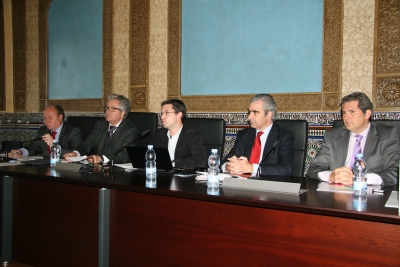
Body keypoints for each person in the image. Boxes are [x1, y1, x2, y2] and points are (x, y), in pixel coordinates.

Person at [307, 92, 400, 186]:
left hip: (370, 194)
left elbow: (395, 171)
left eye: (352, 112)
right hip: (337, 192)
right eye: (344, 113)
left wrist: (361, 178)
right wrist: (331, 176)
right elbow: (314, 167)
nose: (346, 117)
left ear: (367, 114)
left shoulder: (387, 135)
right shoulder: (332, 136)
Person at [222, 94, 294, 176]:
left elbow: (285, 169)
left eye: (255, 112)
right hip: (243, 184)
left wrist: (252, 168)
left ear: (268, 114)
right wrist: (228, 167)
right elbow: (226, 160)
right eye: (249, 112)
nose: (249, 117)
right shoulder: (244, 135)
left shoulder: (284, 136)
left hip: (268, 185)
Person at [64, 94, 138, 164]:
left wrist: (101, 158)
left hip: (117, 172)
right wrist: (76, 154)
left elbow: (124, 155)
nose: (107, 111)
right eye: (107, 108)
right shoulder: (100, 125)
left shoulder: (130, 130)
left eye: (112, 109)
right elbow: (87, 144)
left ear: (122, 113)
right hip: (98, 170)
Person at [150, 99, 207, 169]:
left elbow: (201, 160)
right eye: (162, 113)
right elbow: (150, 154)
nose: (162, 117)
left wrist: (173, 163)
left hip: (183, 178)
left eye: (167, 113)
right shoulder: (160, 134)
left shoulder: (191, 134)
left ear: (179, 115)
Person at [9, 105, 82, 158]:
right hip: (45, 167)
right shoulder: (43, 130)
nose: (47, 121)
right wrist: (21, 152)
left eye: (50, 118)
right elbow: (34, 147)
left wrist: (54, 145)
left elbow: (75, 153)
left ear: (60, 117)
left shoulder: (73, 131)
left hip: (64, 168)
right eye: (45, 118)